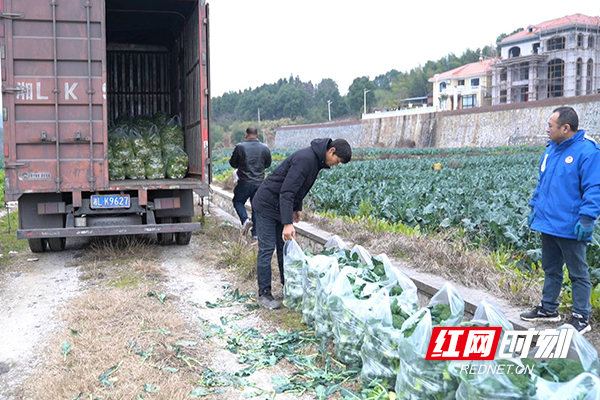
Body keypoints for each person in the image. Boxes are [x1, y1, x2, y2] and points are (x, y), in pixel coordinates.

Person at [520, 106, 600, 334]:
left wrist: (587, 218)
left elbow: (594, 188)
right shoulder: (551, 150)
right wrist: (534, 207)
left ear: (565, 128)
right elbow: (542, 184)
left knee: (578, 272)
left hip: (570, 225)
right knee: (551, 268)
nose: (547, 130)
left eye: (550, 126)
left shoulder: (588, 152)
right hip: (548, 221)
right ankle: (548, 309)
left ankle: (581, 317)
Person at [251, 138, 352, 309]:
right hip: (267, 204)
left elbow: (299, 188)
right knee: (267, 249)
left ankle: (287, 287)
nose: (336, 164)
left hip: (278, 205)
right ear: (331, 150)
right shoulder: (306, 159)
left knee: (284, 249)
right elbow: (287, 191)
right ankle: (264, 294)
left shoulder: (316, 161)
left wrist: (297, 208)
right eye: (338, 161)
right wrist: (287, 223)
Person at [229, 127, 271, 239]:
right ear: (257, 136)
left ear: (246, 135)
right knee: (256, 206)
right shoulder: (265, 148)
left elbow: (233, 163)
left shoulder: (240, 147)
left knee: (238, 201)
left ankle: (245, 220)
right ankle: (256, 233)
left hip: (244, 182)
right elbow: (268, 164)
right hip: (259, 183)